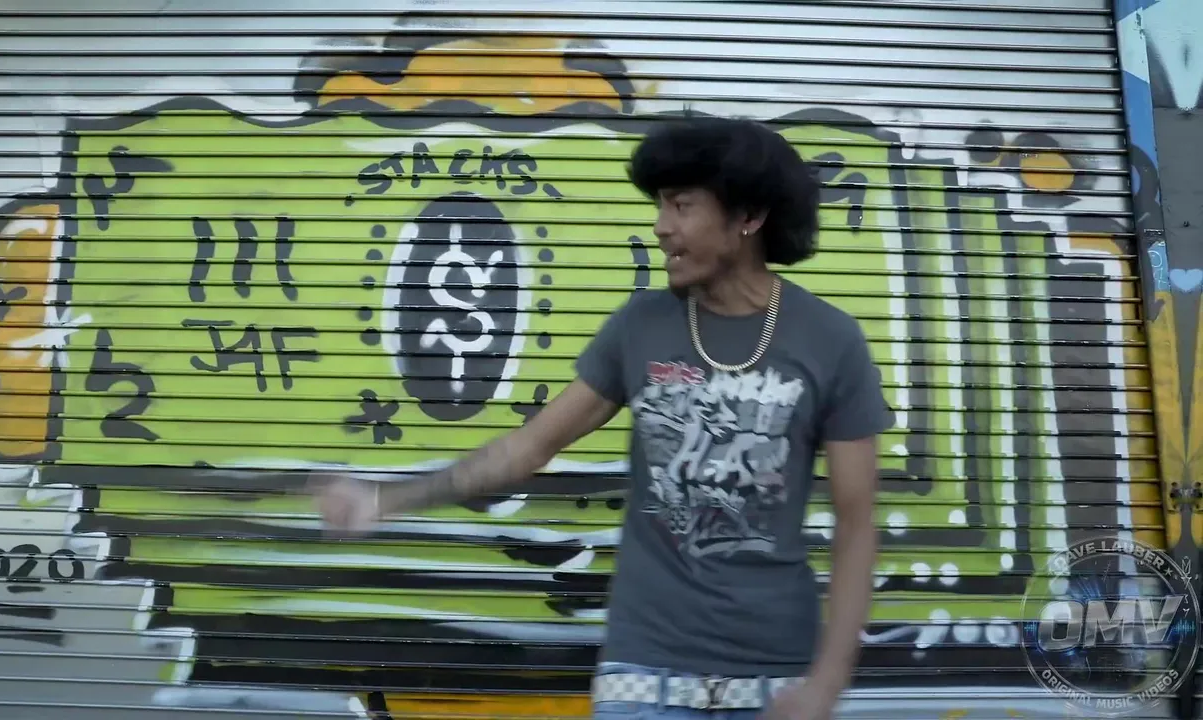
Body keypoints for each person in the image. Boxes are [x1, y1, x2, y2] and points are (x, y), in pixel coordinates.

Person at [313, 116, 894, 720]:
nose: (661, 226)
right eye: (660, 205)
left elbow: (857, 526)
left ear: (748, 216)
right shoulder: (641, 327)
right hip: (643, 678)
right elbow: (526, 449)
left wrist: (827, 683)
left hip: (776, 681)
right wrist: (385, 500)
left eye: (681, 206)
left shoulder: (830, 342)